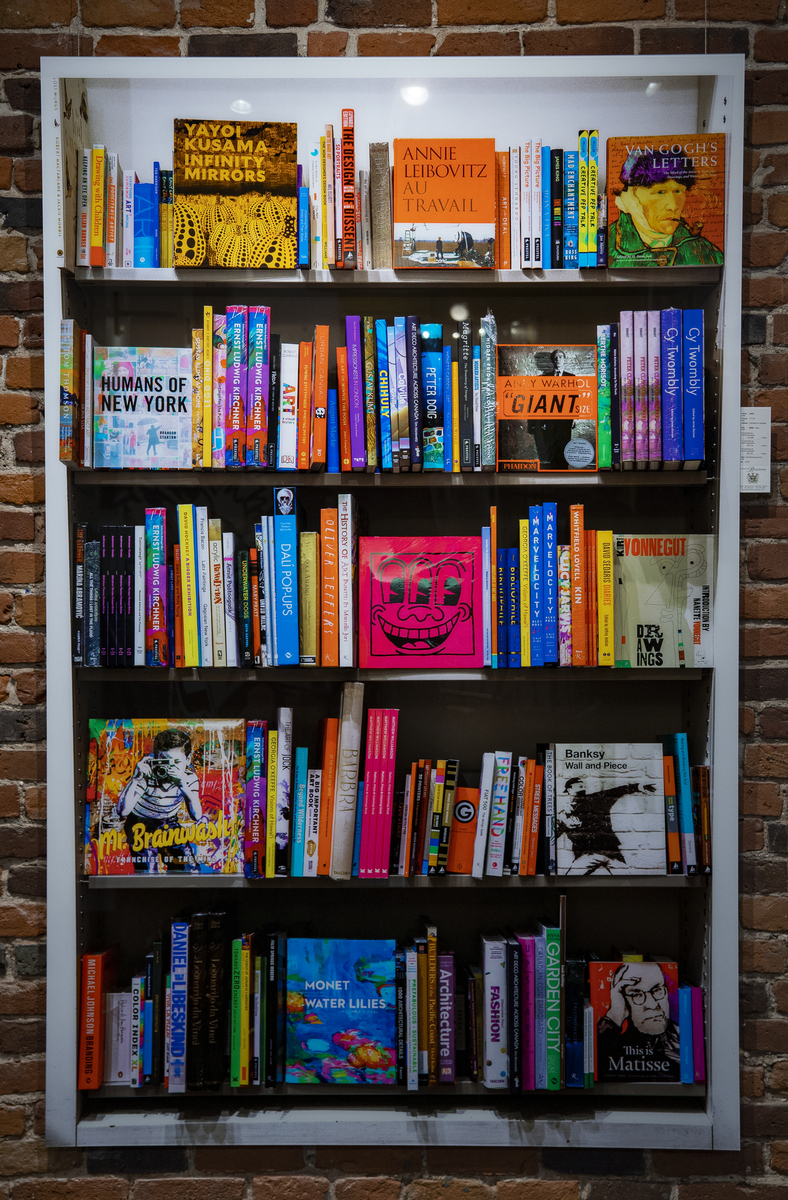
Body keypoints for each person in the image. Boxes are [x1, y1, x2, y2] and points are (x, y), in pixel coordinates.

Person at [608, 148, 723, 267]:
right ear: (632, 197)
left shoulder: (707, 253)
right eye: (660, 192)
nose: (673, 206)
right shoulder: (605, 247)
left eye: (678, 191)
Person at [118, 728, 202, 872]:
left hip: (169, 821)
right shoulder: (148, 774)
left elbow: (197, 815)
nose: (169, 768)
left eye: (176, 762)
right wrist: (136, 779)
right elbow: (123, 811)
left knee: (190, 867)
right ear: (155, 758)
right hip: (140, 822)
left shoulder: (189, 778)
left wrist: (184, 787)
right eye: (164, 761)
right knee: (149, 869)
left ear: (188, 760)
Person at [595, 962, 680, 1080]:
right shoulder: (613, 1047)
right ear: (623, 1001)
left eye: (657, 990)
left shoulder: (685, 1038)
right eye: (637, 994)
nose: (652, 1004)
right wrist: (615, 1015)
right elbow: (598, 1068)